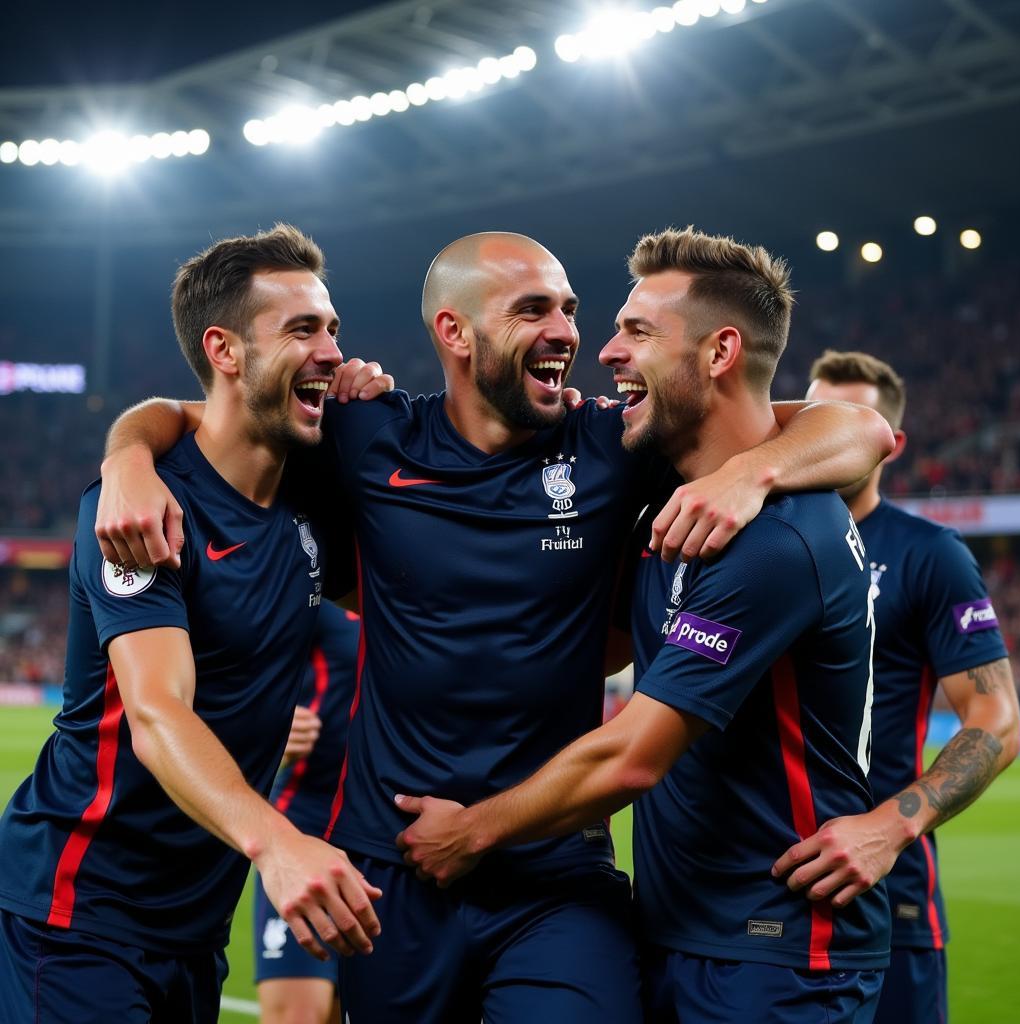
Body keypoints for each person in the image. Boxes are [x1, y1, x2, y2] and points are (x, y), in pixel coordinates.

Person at [94, 230, 894, 1023]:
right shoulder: (367, 436)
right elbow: (201, 414)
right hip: (392, 865)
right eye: (534, 309)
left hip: (554, 872)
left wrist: (751, 472)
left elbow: (855, 432)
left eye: (571, 310)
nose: (571, 335)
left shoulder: (614, 443)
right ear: (455, 332)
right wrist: (125, 459)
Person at [396, 227, 893, 1024]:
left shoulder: (776, 540)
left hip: (776, 954)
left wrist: (473, 831)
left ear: (720, 352)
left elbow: (631, 760)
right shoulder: (679, 498)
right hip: (686, 933)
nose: (605, 352)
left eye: (637, 331)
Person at [0, 225, 388, 1024]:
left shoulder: (308, 493)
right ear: (227, 350)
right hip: (77, 915)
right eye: (302, 328)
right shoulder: (139, 515)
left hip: (193, 927)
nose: (331, 349)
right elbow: (156, 710)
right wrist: (277, 840)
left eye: (334, 329)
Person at [768, 350, 1020, 1024]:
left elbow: (997, 719)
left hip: (887, 891)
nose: (836, 434)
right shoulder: (763, 537)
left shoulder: (929, 553)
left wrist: (888, 830)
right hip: (756, 890)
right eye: (821, 418)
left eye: (857, 420)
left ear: (891, 443)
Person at [254, 601, 360, 1024]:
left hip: (396, 838)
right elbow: (234, 661)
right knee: (300, 1016)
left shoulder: (424, 589)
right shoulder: (314, 580)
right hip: (306, 827)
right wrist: (268, 724)